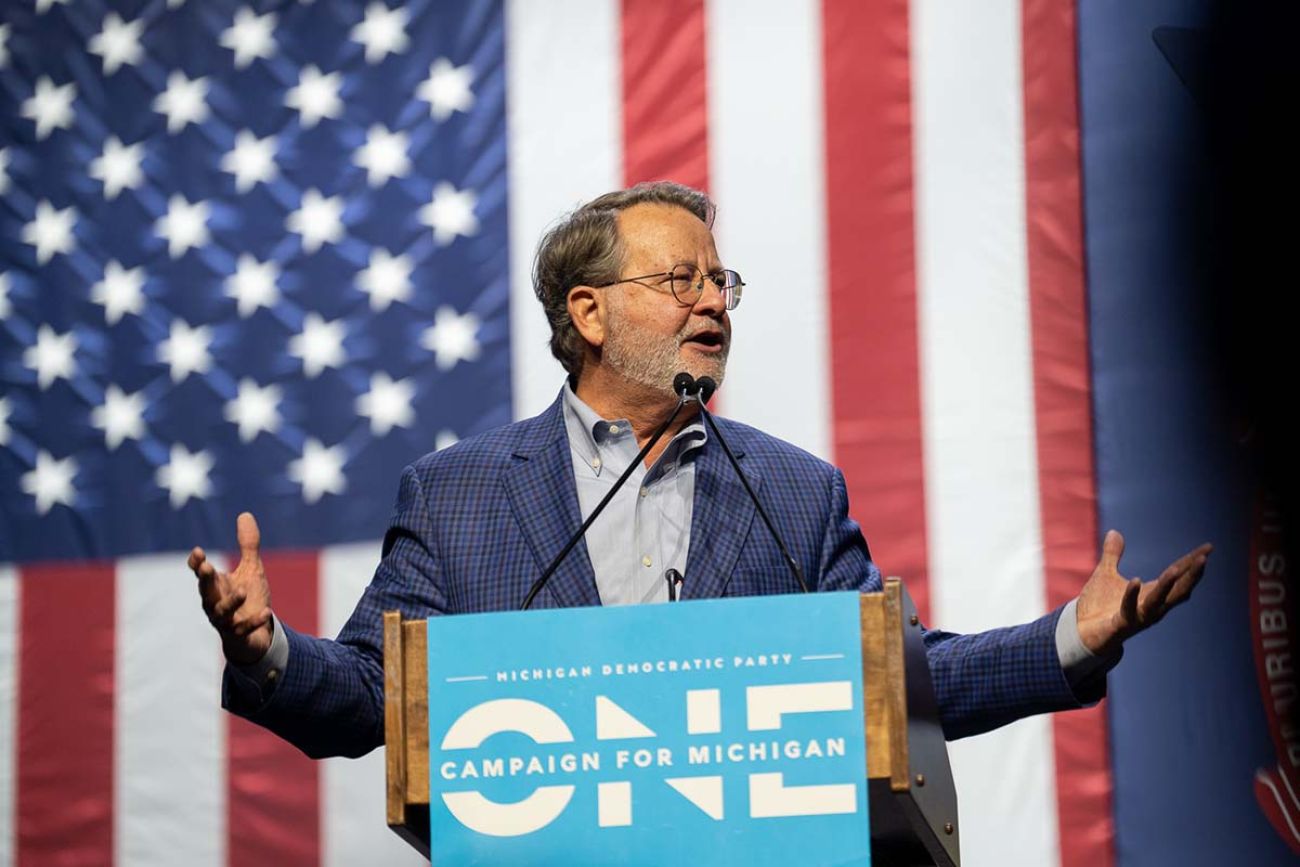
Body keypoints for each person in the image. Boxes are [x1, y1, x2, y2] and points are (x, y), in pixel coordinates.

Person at [188, 182, 1212, 758]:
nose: (713, 303)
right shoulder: (457, 494)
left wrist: (1069, 640)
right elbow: (375, 698)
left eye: (721, 281)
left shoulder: (793, 494)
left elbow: (892, 680)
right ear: (586, 314)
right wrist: (269, 649)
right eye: (678, 280)